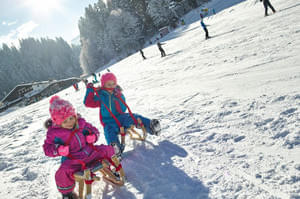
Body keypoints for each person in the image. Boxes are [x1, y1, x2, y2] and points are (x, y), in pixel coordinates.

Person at [43, 96, 117, 199]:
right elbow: (47, 148)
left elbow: (94, 130)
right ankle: (67, 194)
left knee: (107, 149)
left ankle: (112, 169)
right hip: (73, 160)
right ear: (58, 122)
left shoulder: (81, 123)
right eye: (65, 121)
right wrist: (58, 150)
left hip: (90, 153)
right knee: (62, 173)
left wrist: (93, 136)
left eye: (71, 118)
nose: (70, 122)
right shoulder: (54, 133)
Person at [84, 72, 161, 153]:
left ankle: (151, 126)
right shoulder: (101, 96)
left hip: (122, 117)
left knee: (134, 116)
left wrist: (119, 97)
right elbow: (88, 103)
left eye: (113, 84)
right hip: (109, 122)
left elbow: (123, 108)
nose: (111, 86)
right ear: (103, 85)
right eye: (109, 84)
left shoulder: (117, 93)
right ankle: (114, 148)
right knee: (109, 132)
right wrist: (90, 90)